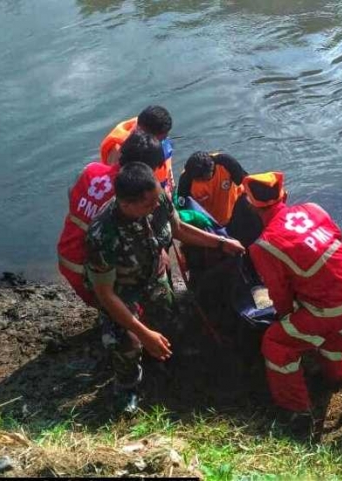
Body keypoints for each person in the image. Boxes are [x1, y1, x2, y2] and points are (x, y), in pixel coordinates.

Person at [85, 162, 245, 412]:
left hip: (155, 278)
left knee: (170, 324)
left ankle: (164, 362)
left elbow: (179, 229)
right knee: (128, 343)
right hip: (123, 293)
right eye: (147, 205)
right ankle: (127, 387)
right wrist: (143, 333)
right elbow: (105, 295)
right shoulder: (102, 236)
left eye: (156, 200)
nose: (154, 208)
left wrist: (221, 243)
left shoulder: (158, 200)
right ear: (126, 204)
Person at [244, 172, 342, 435]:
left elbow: (280, 295)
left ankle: (296, 411)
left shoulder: (264, 246)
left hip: (332, 308)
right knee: (336, 337)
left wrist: (284, 317)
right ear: (286, 196)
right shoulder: (313, 209)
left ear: (250, 206)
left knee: (276, 343)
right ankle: (337, 374)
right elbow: (337, 239)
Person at [57, 130, 165, 306]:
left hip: (66, 256)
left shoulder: (90, 170)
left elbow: (72, 196)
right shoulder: (128, 196)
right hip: (89, 268)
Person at [100, 105, 175, 195]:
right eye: (161, 139)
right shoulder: (121, 151)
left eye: (164, 137)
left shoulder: (156, 131)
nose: (164, 139)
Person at [176, 151, 247, 226]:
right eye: (197, 179)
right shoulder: (186, 179)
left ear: (212, 168)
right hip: (210, 224)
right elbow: (183, 210)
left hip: (235, 213)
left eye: (202, 179)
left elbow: (247, 183)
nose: (201, 182)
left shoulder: (226, 163)